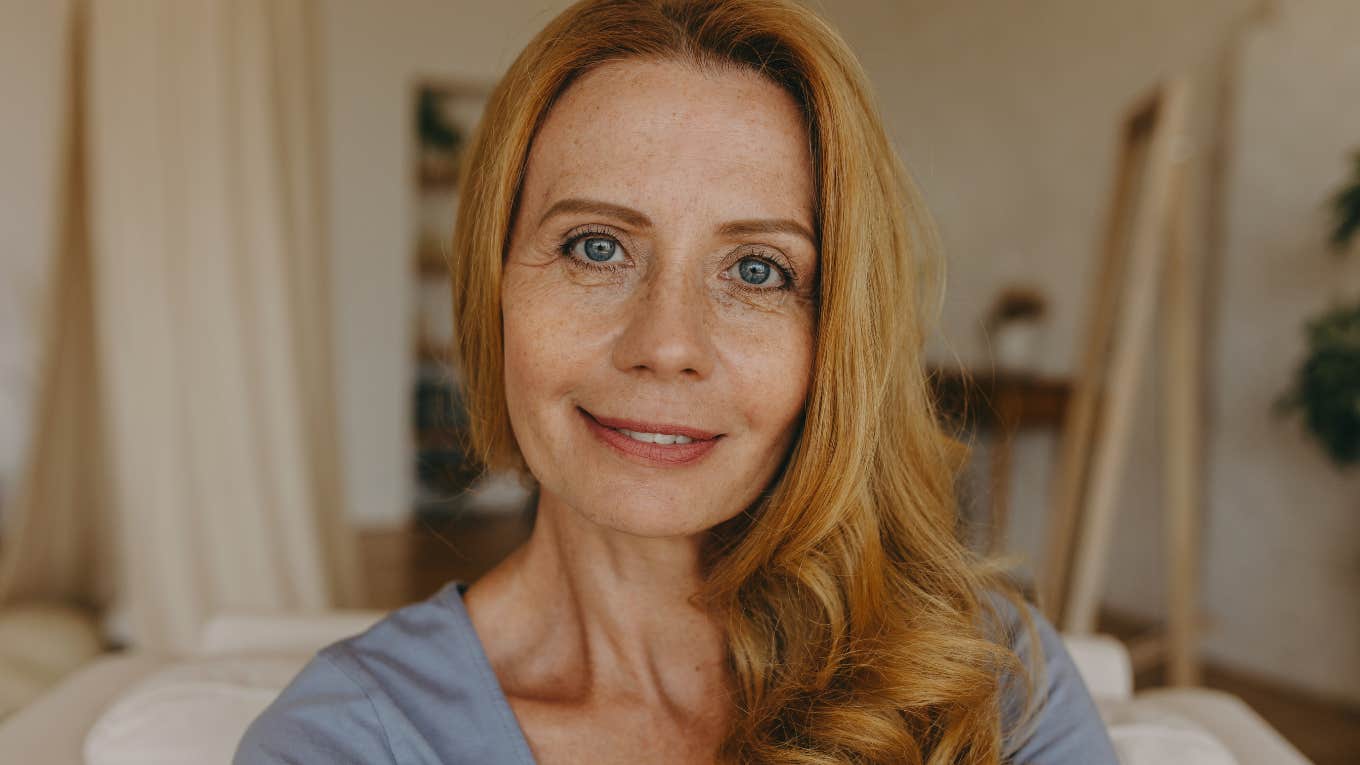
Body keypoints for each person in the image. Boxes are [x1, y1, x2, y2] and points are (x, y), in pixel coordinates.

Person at [236, 0, 1117, 762]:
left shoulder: (988, 674)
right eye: (596, 247)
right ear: (492, 283)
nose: (666, 343)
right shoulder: (345, 738)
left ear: (837, 338)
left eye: (760, 271)